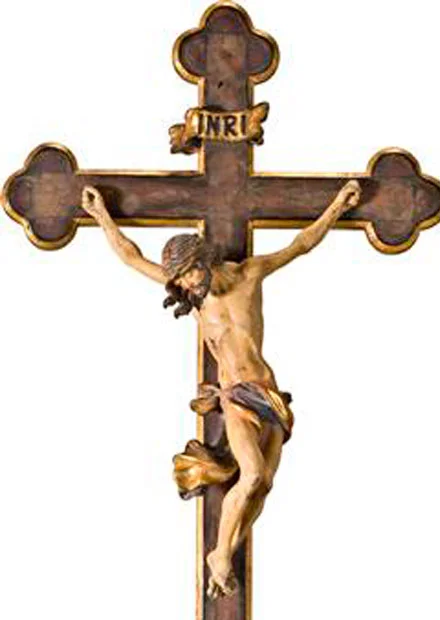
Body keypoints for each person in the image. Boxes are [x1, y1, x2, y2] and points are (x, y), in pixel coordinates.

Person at [83, 180, 361, 597]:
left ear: (204, 260)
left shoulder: (250, 274)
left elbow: (300, 245)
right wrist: (102, 215)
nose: (184, 284)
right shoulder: (196, 301)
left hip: (268, 393)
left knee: (264, 484)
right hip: (236, 398)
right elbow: (131, 257)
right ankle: (219, 557)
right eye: (179, 278)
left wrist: (338, 205)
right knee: (251, 474)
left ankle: (223, 553)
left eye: (188, 273)